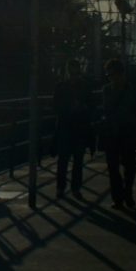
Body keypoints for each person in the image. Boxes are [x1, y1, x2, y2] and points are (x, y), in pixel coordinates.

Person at [52, 59, 93, 199]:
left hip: (69, 127)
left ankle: (63, 188)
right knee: (73, 160)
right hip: (76, 127)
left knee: (67, 160)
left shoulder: (61, 86)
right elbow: (92, 106)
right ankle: (73, 188)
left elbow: (55, 106)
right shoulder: (84, 86)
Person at [101, 58, 136, 209]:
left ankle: (126, 193)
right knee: (113, 167)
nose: (111, 78)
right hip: (114, 131)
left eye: (112, 74)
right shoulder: (109, 90)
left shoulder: (129, 90)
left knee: (129, 166)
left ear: (121, 73)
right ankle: (119, 197)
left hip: (126, 130)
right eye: (109, 75)